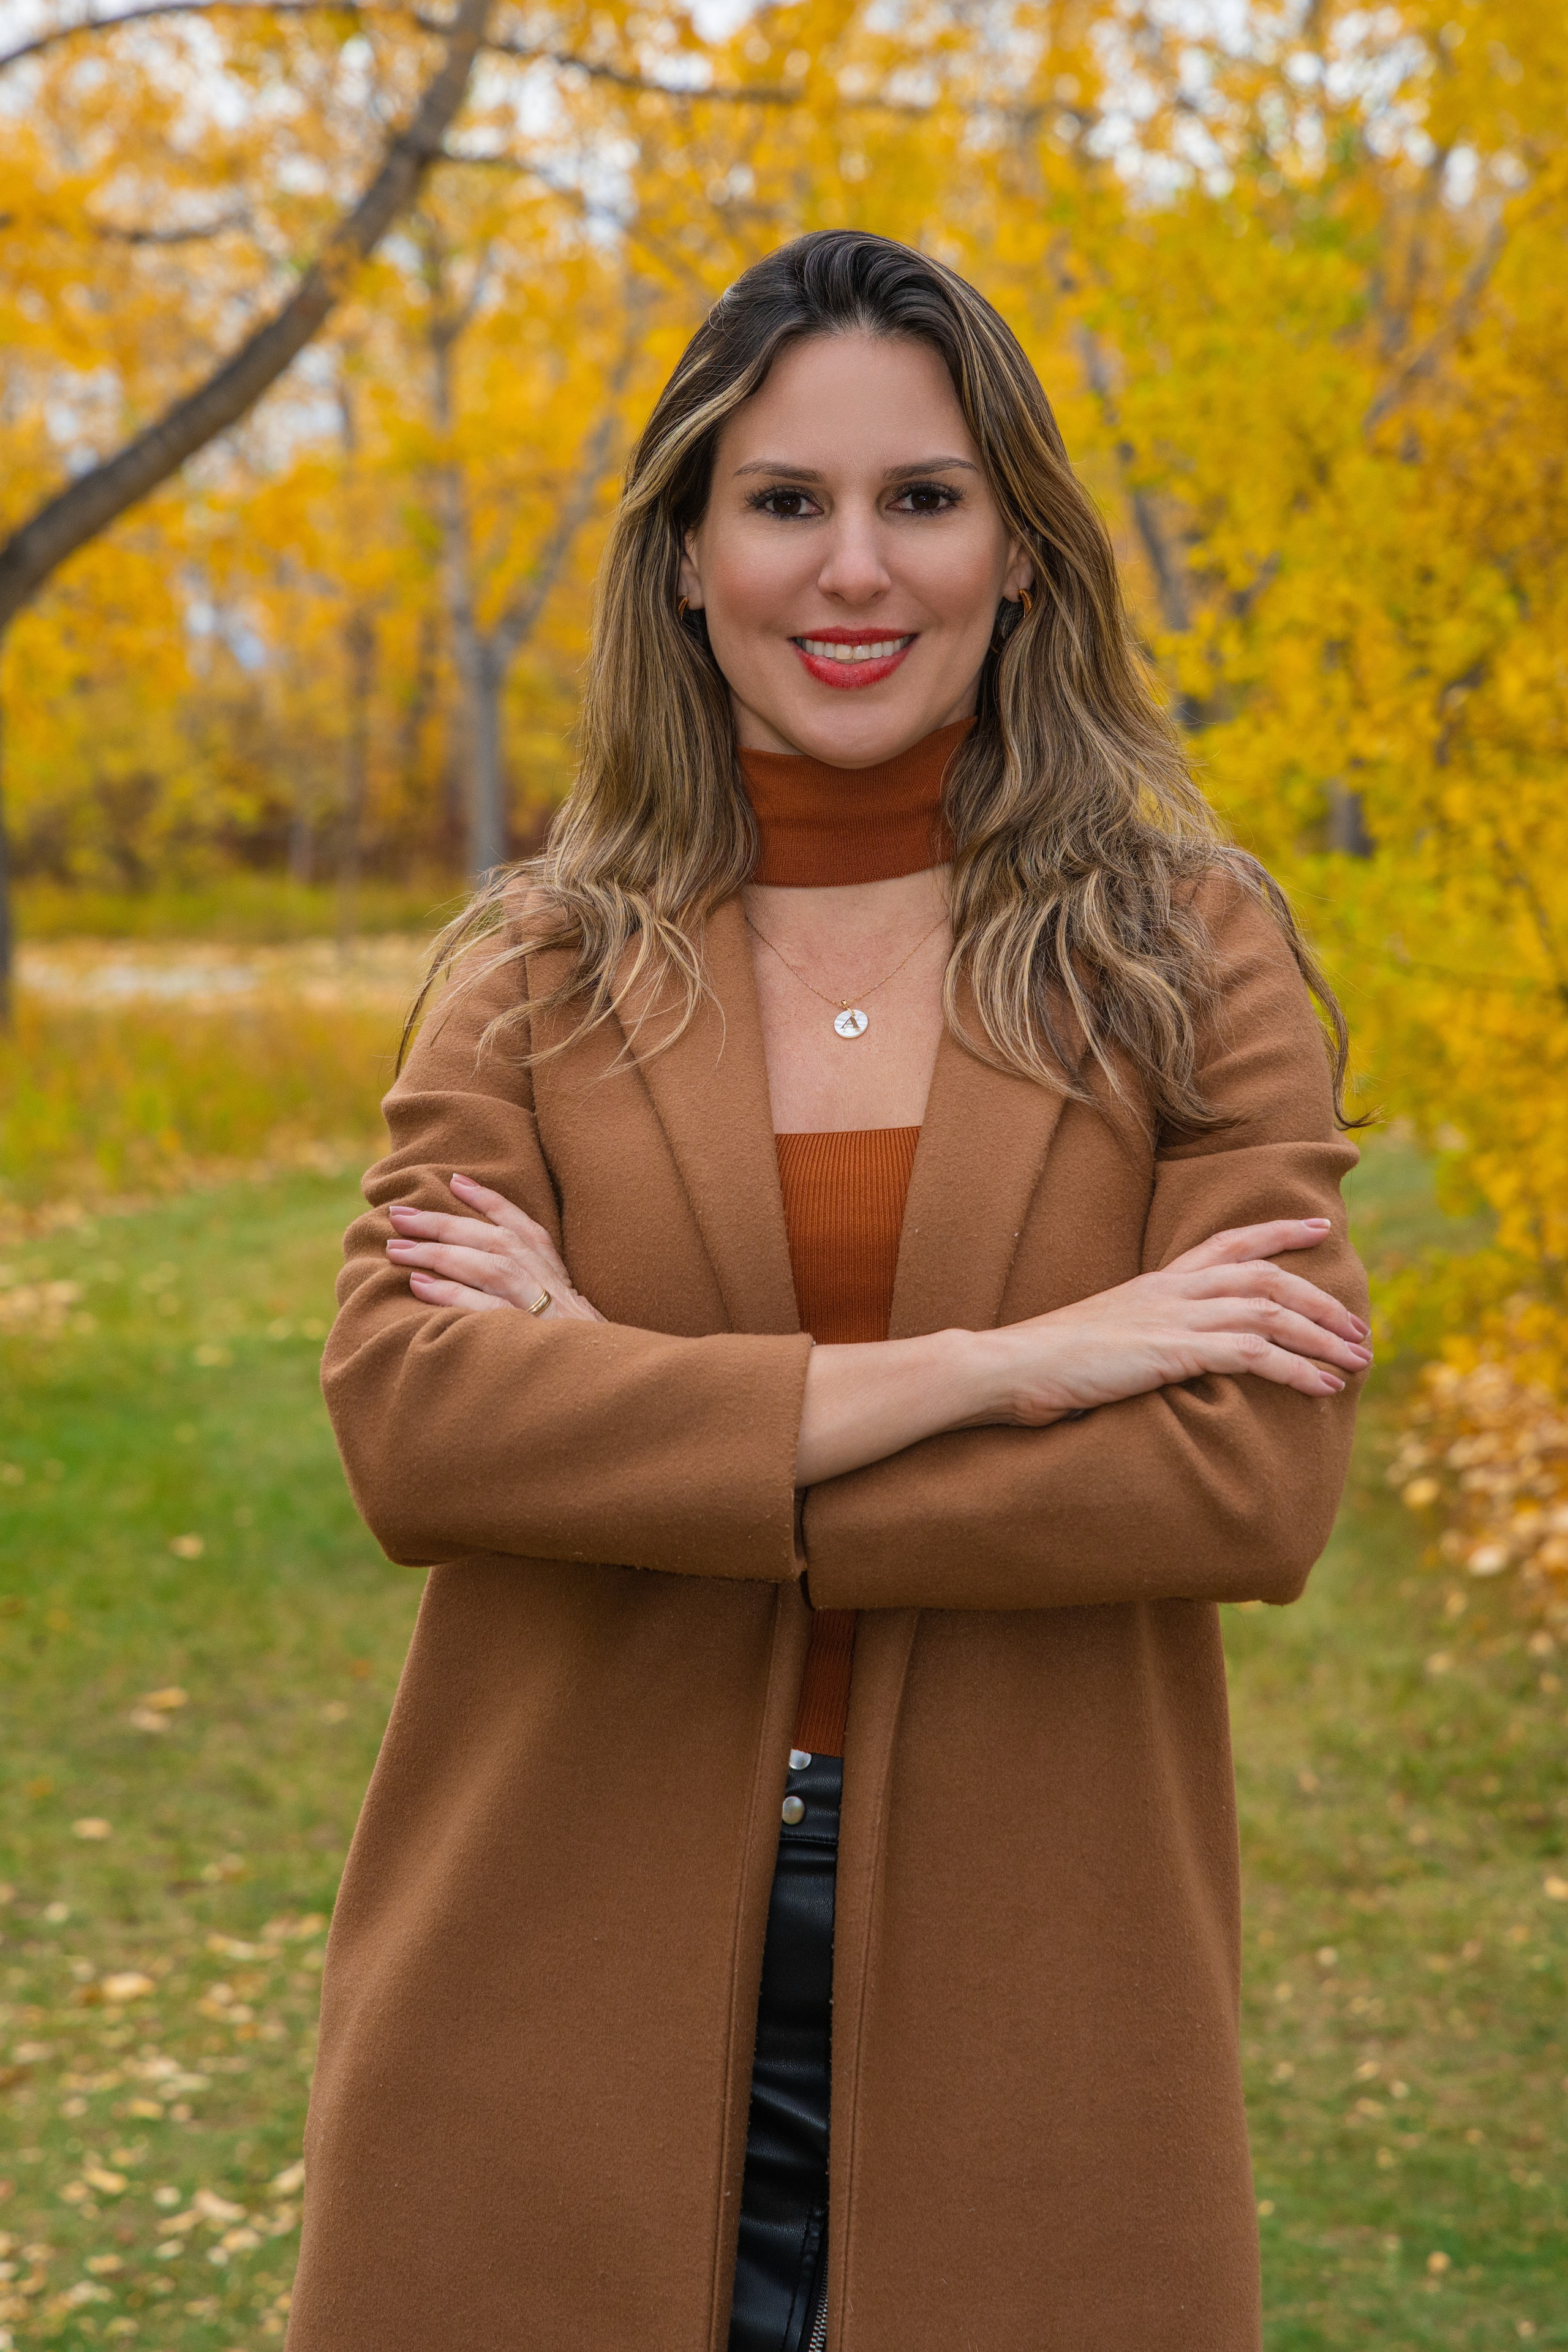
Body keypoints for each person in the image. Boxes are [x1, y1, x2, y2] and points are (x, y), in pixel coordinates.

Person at [293, 230, 1370, 2352]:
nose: (852, 567)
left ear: (1022, 555)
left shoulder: (1187, 952)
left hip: (1040, 2000)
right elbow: (411, 1420)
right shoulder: (538, 965)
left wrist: (617, 1406)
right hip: (541, 1981)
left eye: (923, 498)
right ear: (689, 557)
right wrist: (1022, 1366)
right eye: (785, 502)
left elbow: (1244, 1475)